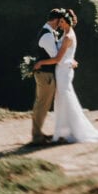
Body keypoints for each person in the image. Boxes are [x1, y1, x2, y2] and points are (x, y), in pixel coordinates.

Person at [34, 8, 98, 143]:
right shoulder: (66, 33)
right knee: (62, 101)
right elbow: (62, 55)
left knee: (65, 100)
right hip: (62, 70)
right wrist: (70, 61)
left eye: (62, 22)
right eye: (60, 21)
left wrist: (40, 62)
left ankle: (72, 131)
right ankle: (65, 130)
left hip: (63, 72)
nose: (60, 24)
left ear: (67, 22)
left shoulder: (67, 36)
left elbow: (57, 58)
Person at [30, 8, 67, 145]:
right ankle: (37, 136)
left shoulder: (49, 33)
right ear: (56, 20)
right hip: (45, 75)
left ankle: (38, 133)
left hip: (45, 74)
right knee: (42, 104)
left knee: (43, 104)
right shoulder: (47, 36)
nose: (60, 24)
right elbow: (55, 57)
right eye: (60, 21)